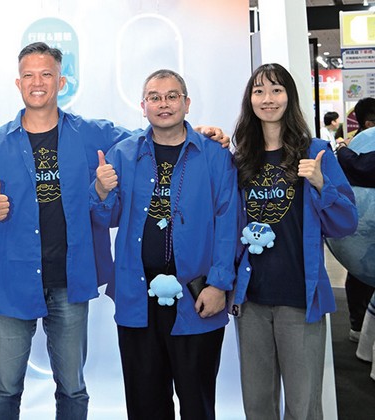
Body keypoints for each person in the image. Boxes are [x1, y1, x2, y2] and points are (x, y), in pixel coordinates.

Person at [0, 42, 228, 420]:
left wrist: (198, 133)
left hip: (70, 281)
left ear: (61, 81)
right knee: (4, 389)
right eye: (29, 76)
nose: (38, 83)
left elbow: (155, 134)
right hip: (12, 283)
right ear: (18, 84)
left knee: (72, 388)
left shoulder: (92, 134)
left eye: (47, 74)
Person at [90, 69, 238, 420]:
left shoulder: (214, 155)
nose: (164, 104)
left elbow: (228, 222)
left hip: (197, 296)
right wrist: (100, 191)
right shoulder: (124, 154)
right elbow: (105, 217)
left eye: (172, 96)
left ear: (187, 103)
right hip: (137, 298)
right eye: (154, 97)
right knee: (145, 405)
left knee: (197, 404)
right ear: (143, 107)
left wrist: (219, 284)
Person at [230, 63, 358, 420]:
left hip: (300, 297)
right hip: (251, 299)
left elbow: (346, 222)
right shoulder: (241, 159)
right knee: (257, 404)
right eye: (259, 91)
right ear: (250, 100)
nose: (267, 99)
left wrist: (321, 183)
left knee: (303, 407)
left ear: (290, 96)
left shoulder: (315, 152)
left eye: (276, 90)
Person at [336, 96, 375, 342]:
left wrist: (342, 149)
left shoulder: (353, 147)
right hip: (362, 237)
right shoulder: (359, 146)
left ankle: (360, 327)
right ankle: (360, 327)